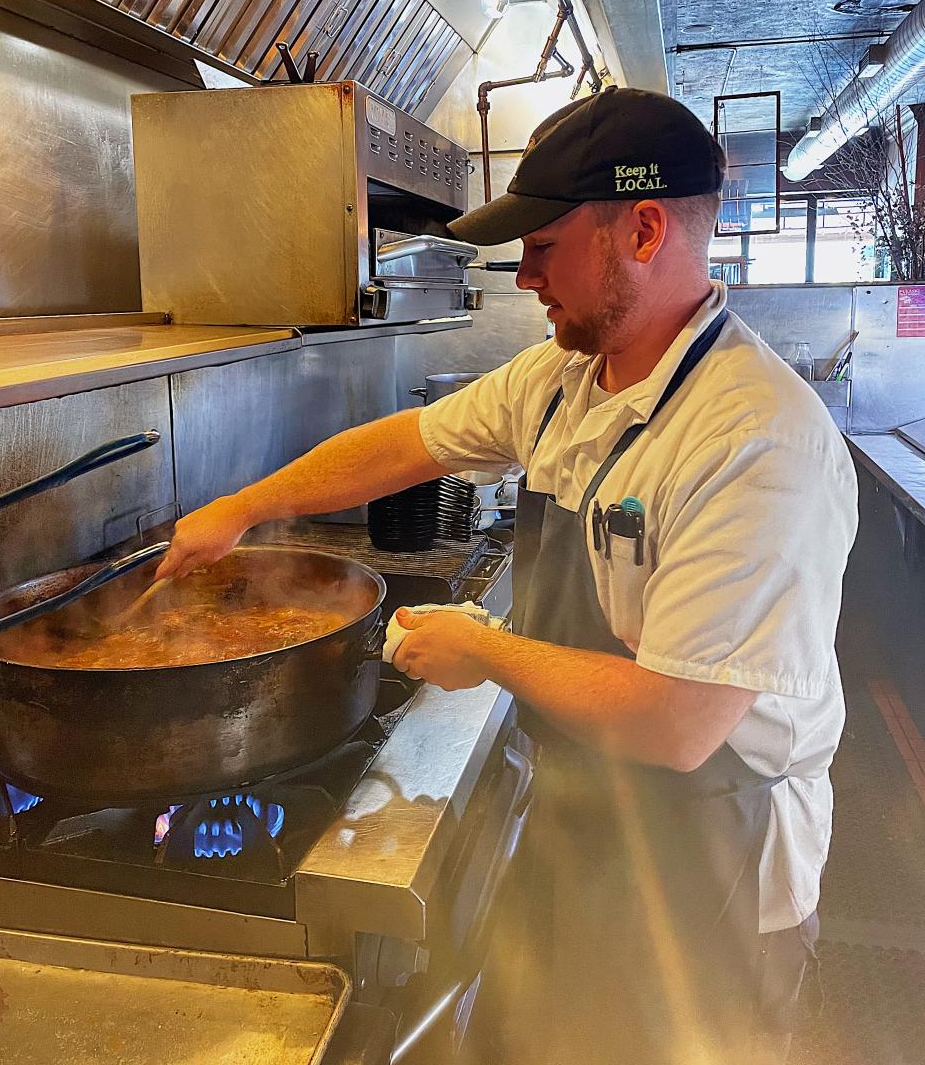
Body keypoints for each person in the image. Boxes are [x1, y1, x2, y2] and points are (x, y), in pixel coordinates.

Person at [156, 87, 858, 1064]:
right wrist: (241, 508)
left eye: (544, 244)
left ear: (645, 228)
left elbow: (680, 721)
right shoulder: (564, 375)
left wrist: (483, 647)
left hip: (714, 863)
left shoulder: (754, 441)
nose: (522, 274)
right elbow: (405, 443)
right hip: (585, 814)